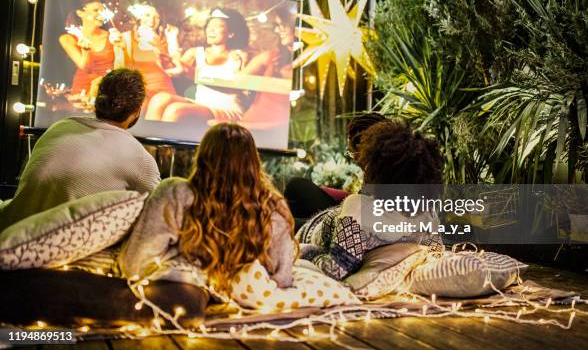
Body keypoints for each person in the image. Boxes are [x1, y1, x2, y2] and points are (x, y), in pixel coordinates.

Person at [118, 123, 296, 293]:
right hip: (247, 306)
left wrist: (183, 260)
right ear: (254, 163)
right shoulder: (273, 207)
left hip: (183, 297)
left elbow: (134, 264)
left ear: (202, 157)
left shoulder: (176, 193)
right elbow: (283, 280)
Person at [0, 69, 160, 231]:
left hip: (8, 225)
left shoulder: (60, 127)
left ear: (98, 100)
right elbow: (158, 217)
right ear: (137, 110)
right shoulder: (141, 160)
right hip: (52, 245)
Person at [296, 120, 444, 280]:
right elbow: (437, 256)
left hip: (308, 232)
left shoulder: (359, 207)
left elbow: (334, 270)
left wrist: (302, 250)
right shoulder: (428, 216)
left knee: (293, 192)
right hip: (322, 221)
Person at [145, 9, 250, 123]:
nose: (211, 30)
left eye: (217, 26)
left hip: (226, 108)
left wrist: (187, 71)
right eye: (209, 26)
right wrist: (168, 63)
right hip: (199, 103)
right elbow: (178, 68)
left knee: (175, 111)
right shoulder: (195, 52)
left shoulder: (240, 56)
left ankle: (165, 141)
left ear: (230, 33)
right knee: (159, 99)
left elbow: (244, 87)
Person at [284, 113, 388, 224]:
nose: (353, 159)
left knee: (289, 217)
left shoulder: (382, 170)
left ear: (362, 147)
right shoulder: (382, 164)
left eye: (351, 152)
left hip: (347, 223)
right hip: (347, 213)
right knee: (296, 188)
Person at [59, 0, 125, 95]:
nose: (101, 14)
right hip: (82, 91)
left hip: (108, 88)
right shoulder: (67, 38)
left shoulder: (112, 36)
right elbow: (86, 68)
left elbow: (122, 66)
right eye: (96, 10)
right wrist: (85, 51)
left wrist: (121, 47)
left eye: (103, 10)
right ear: (80, 13)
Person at [122, 4, 179, 105]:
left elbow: (176, 69)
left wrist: (160, 47)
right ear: (139, 17)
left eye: (157, 17)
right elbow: (123, 67)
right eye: (147, 15)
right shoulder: (127, 37)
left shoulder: (166, 37)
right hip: (138, 88)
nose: (152, 21)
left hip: (163, 87)